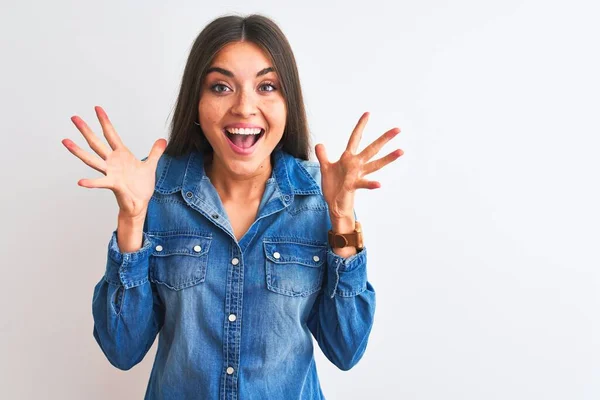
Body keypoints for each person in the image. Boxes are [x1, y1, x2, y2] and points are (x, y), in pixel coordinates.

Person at [62, 13, 402, 400]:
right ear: (196, 102)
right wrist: (132, 219)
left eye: (267, 86)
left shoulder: (320, 198)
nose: (244, 107)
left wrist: (341, 215)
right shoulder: (154, 192)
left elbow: (346, 350)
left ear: (288, 103)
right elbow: (121, 349)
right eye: (221, 87)